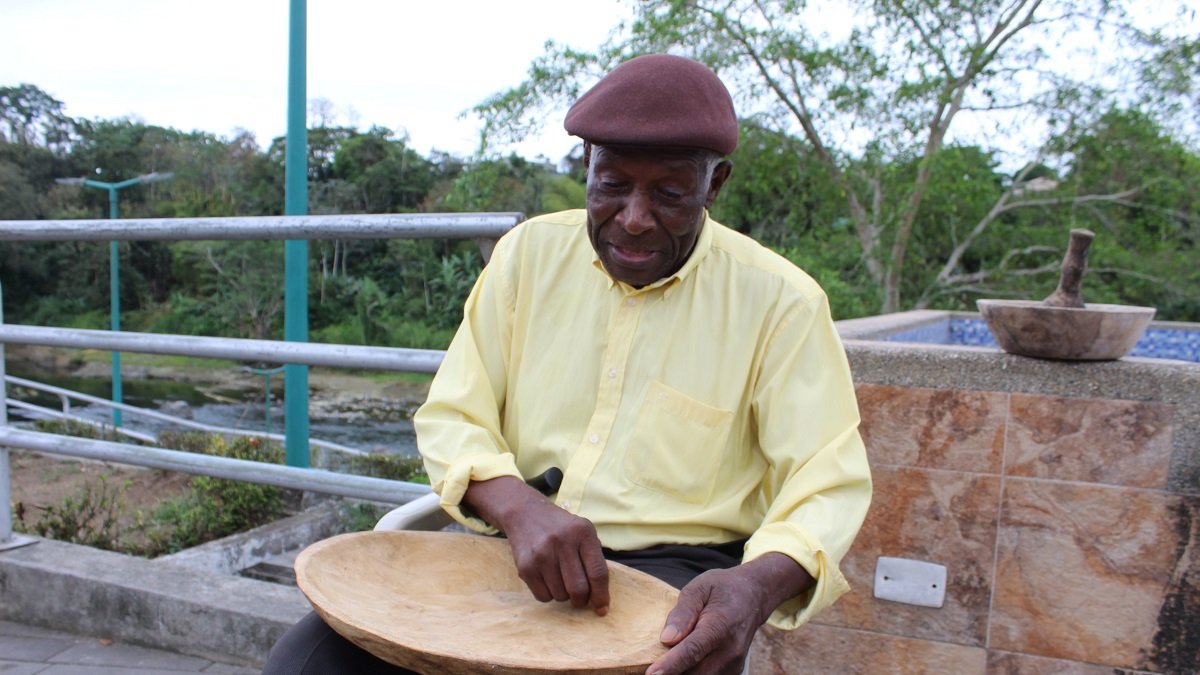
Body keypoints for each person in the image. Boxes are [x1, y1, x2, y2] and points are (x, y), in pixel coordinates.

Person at [264, 53, 871, 675]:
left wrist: (756, 586)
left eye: (669, 194)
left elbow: (826, 482)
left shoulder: (780, 303)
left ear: (714, 187)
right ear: (587, 166)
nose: (634, 220)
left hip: (672, 579)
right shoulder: (528, 254)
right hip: (513, 549)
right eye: (612, 185)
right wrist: (517, 506)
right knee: (306, 664)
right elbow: (452, 412)